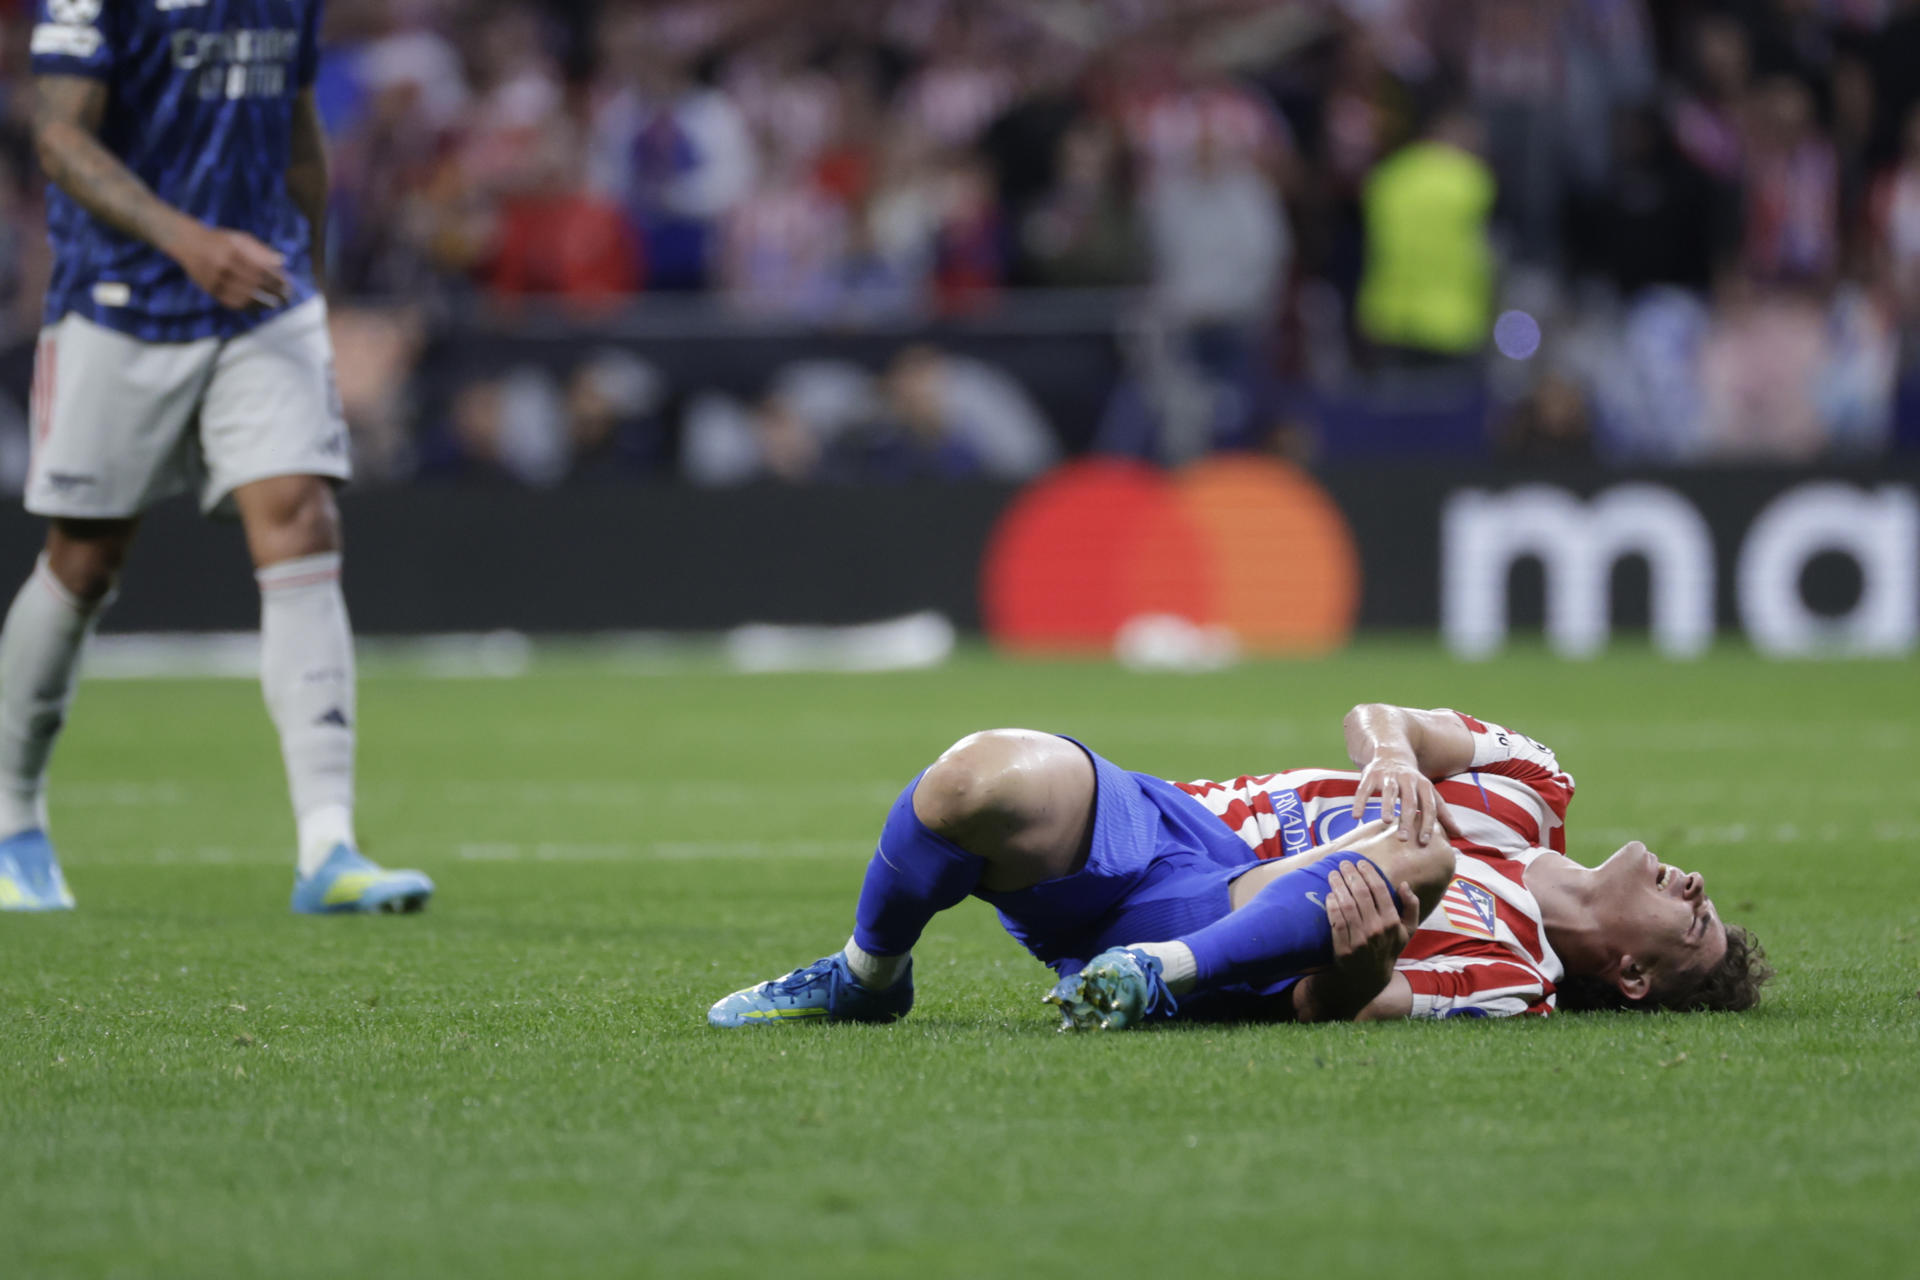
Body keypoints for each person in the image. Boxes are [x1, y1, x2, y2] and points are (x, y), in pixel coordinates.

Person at [0, 0, 431, 914]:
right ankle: (11, 820)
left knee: (303, 514)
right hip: (120, 304)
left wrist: (315, 292)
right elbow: (59, 141)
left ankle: (329, 847)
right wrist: (185, 240)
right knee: (84, 558)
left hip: (264, 300)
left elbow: (297, 126)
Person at [709, 705, 1769, 1028]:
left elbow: (1348, 1002)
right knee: (975, 776)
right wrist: (1395, 756)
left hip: (1225, 929)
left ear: (1629, 975)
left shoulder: (1515, 977)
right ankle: (868, 976)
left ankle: (1151, 975)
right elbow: (1380, 715)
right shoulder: (1539, 786)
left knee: (1424, 848)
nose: (1695, 887)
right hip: (1170, 823)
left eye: (1691, 926)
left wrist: (1359, 961)